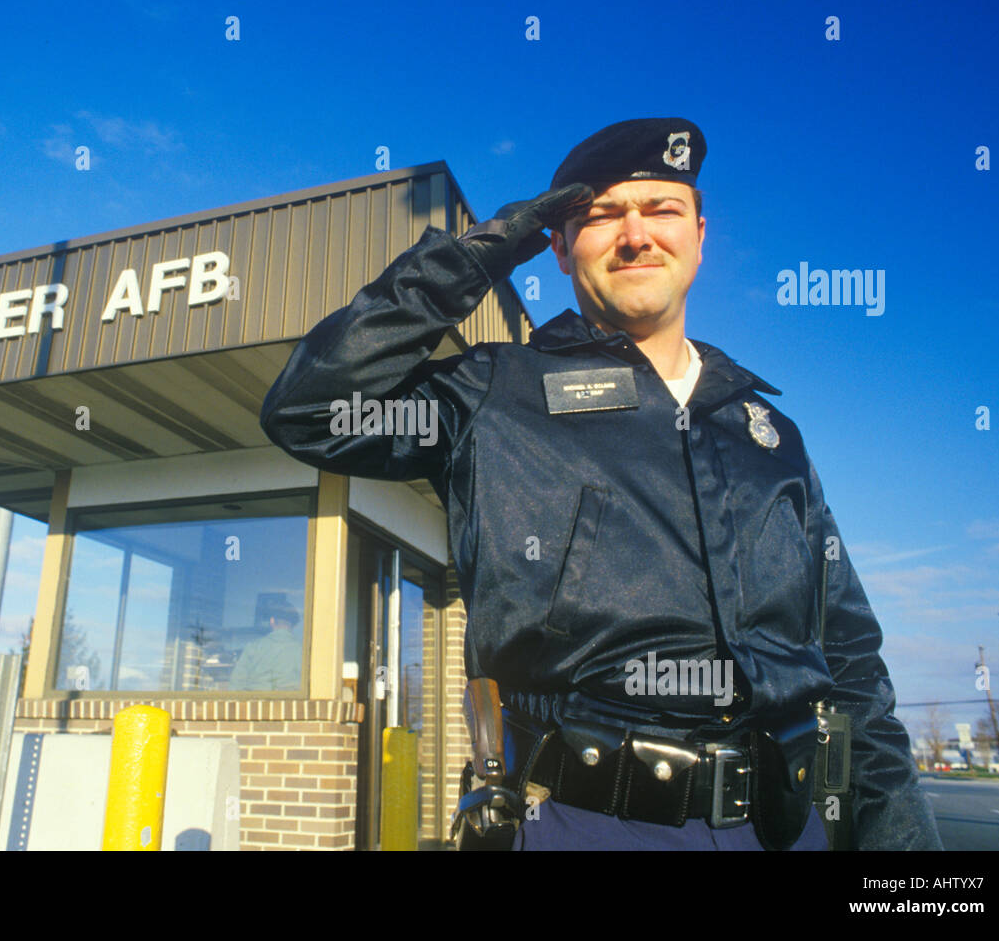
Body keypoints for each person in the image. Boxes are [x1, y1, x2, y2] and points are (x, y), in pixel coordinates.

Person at [260, 118, 942, 851]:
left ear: (701, 236)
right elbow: (308, 413)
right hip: (579, 823)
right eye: (602, 215)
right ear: (555, 245)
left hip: (792, 827)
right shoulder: (495, 393)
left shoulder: (766, 434)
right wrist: (478, 255)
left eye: (662, 210)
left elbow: (853, 670)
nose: (636, 235)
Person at [229, 593, 302, 691]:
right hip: (290, 704)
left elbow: (236, 684)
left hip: (253, 703)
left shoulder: (253, 647)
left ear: (272, 621)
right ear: (294, 625)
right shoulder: (302, 650)